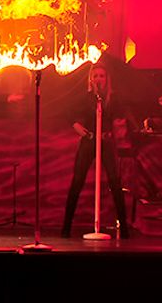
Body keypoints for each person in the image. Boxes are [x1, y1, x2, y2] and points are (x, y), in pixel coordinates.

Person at [61, 63, 131, 238]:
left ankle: (124, 228)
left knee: (115, 182)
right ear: (90, 79)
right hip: (89, 140)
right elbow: (67, 112)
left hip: (106, 142)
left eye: (102, 76)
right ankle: (66, 227)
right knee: (77, 181)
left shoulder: (112, 99)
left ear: (107, 79)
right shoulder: (85, 98)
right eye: (96, 76)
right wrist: (78, 127)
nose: (99, 79)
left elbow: (122, 116)